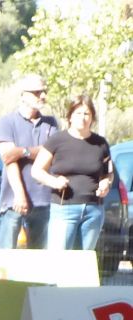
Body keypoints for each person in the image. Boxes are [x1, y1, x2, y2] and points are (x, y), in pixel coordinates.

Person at [31, 93, 113, 252]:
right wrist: (53, 182)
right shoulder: (57, 140)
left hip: (93, 210)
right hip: (64, 209)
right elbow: (37, 170)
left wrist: (106, 183)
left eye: (87, 113)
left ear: (92, 118)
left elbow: (108, 173)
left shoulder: (101, 144)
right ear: (70, 116)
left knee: (83, 262)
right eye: (78, 113)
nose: (82, 118)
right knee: (60, 262)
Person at [0, 74, 58, 249]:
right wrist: (20, 195)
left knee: (37, 264)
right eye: (37, 92)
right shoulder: (7, 122)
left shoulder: (50, 123)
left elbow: (52, 154)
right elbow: (9, 159)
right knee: (6, 260)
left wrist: (23, 151)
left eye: (44, 91)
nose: (42, 96)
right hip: (13, 202)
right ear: (23, 95)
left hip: (43, 201)